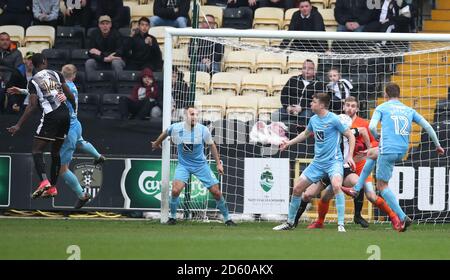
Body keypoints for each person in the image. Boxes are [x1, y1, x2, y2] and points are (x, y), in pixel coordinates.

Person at [342, 83, 446, 232]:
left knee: (382, 187)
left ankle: (402, 217)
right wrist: (437, 145)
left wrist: (378, 138)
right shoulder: (409, 110)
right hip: (402, 150)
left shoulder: (382, 107)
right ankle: (356, 188)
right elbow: (428, 126)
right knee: (371, 154)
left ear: (385, 94)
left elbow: (371, 127)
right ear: (399, 94)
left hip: (388, 149)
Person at [294, 99, 402, 231]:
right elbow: (318, 132)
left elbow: (367, 135)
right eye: (348, 105)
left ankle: (391, 217)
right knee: (314, 196)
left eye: (353, 106)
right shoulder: (337, 121)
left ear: (357, 109)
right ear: (344, 107)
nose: (350, 108)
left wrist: (368, 150)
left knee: (369, 194)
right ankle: (313, 221)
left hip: (359, 165)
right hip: (334, 166)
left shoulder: (361, 124)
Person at [273, 92, 356, 232]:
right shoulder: (313, 119)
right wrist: (288, 143)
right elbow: (305, 134)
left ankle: (341, 224)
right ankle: (290, 222)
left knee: (336, 186)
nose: (311, 104)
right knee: (297, 189)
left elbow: (350, 136)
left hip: (334, 162)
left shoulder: (334, 119)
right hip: (317, 163)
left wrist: (349, 156)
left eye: (314, 102)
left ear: (322, 105)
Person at [151, 107, 236, 226]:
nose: (194, 116)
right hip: (183, 165)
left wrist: (218, 164)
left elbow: (212, 145)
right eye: (192, 114)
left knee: (216, 192)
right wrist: (157, 143)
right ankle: (172, 217)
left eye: (196, 114)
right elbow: (166, 132)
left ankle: (228, 219)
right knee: (175, 190)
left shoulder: (203, 130)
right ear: (186, 116)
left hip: (200, 165)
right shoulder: (176, 127)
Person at [6, 53, 75, 199]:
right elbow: (69, 95)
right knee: (55, 152)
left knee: (37, 151)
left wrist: (18, 125)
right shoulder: (56, 74)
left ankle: (44, 181)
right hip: (65, 116)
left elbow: (32, 106)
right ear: (45, 61)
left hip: (51, 116)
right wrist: (73, 111)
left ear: (33, 64)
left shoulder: (33, 81)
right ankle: (53, 187)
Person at [41, 64, 105, 208]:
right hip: (76, 124)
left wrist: (23, 91)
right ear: (74, 76)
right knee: (80, 142)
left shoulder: (61, 88)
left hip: (67, 129)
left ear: (60, 75)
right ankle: (98, 156)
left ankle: (82, 195)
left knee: (62, 169)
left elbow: (42, 94)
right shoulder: (73, 87)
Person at [272, 59, 325, 126]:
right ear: (301, 70)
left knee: (307, 116)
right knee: (274, 115)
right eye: (304, 68)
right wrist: (287, 106)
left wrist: (301, 107)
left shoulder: (319, 84)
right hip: (290, 108)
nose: (307, 70)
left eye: (310, 68)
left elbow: (318, 101)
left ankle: (298, 132)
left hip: (307, 110)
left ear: (314, 71)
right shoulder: (293, 79)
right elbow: (284, 94)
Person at [85, 15, 125, 80]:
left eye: (107, 24)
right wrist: (104, 58)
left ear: (110, 25)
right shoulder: (94, 34)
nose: (105, 26)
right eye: (102, 24)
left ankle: (118, 86)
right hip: (100, 60)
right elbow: (90, 52)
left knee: (116, 63)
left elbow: (120, 51)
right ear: (99, 25)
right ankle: (91, 86)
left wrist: (101, 54)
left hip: (113, 59)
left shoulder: (117, 34)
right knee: (89, 62)